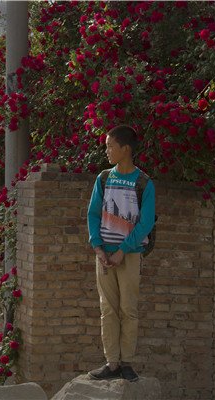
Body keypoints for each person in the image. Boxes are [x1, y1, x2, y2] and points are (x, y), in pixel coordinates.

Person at [86, 125, 156, 382]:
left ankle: (127, 363)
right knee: (108, 310)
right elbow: (93, 214)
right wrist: (98, 247)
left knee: (128, 310)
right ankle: (112, 363)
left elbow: (146, 223)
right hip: (104, 256)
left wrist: (123, 251)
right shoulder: (103, 178)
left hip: (130, 255)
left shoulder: (144, 183)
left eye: (110, 146)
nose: (106, 151)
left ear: (125, 149)